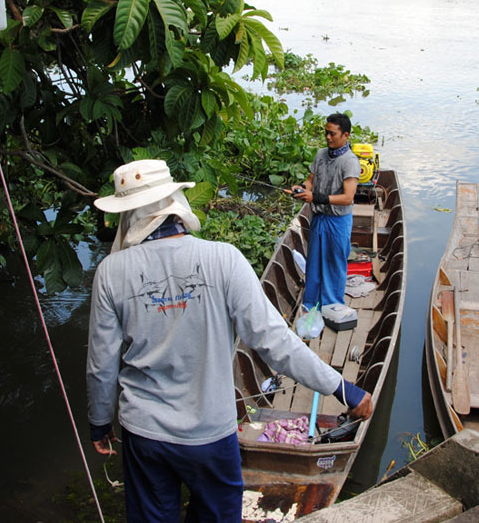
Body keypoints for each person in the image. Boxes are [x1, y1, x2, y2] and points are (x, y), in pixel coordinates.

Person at [86, 159, 373, 523]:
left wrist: (99, 422)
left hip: (145, 434)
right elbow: (275, 343)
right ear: (175, 202)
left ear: (128, 215)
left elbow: (101, 364)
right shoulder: (224, 259)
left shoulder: (111, 273)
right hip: (210, 436)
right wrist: (343, 388)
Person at [288, 113, 361, 310]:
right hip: (319, 218)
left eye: (332, 134)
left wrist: (316, 198)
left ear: (345, 135)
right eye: (326, 133)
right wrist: (302, 188)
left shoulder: (350, 162)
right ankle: (311, 304)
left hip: (338, 222)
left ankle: (332, 306)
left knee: (334, 264)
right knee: (314, 263)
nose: (328, 137)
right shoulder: (321, 154)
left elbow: (348, 197)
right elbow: (311, 180)